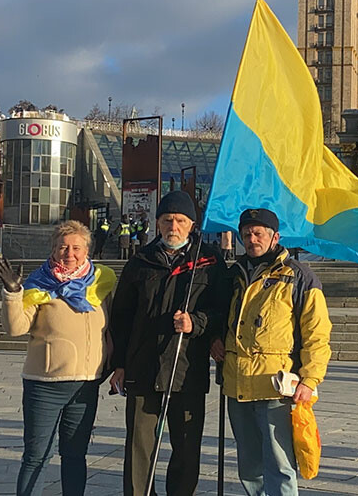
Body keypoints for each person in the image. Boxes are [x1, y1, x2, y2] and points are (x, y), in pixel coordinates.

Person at [108, 191, 228, 496]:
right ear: (158, 223)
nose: (173, 226)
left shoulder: (209, 261)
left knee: (186, 450)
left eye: (180, 221)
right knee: (139, 449)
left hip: (187, 369)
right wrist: (119, 363)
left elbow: (224, 312)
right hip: (142, 368)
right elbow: (121, 318)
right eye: (166, 220)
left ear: (191, 225)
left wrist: (196, 323)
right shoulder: (140, 261)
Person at [213, 207, 332, 496]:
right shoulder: (234, 275)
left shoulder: (299, 276)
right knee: (249, 466)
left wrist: (310, 379)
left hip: (275, 386)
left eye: (258, 233)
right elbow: (220, 316)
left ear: (275, 237)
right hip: (237, 383)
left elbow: (317, 333)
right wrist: (214, 339)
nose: (252, 239)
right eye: (246, 234)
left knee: (280, 465)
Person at [0, 221, 117, 496]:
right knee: (36, 456)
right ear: (53, 249)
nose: (70, 253)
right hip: (44, 385)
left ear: (88, 250)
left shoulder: (103, 281)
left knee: (75, 455)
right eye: (63, 247)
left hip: (85, 385)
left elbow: (113, 326)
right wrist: (12, 293)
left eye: (76, 247)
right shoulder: (38, 283)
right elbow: (15, 328)